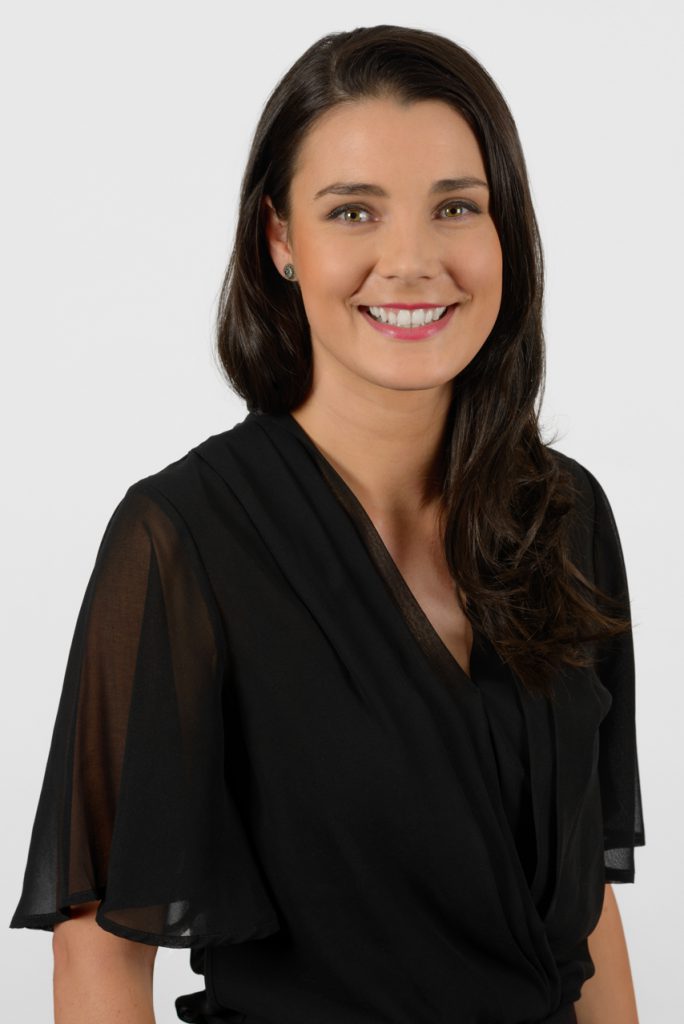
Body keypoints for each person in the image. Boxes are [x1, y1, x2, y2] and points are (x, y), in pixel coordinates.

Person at [9, 24, 645, 1024]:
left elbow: (585, 908)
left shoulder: (566, 516)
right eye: (353, 210)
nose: (412, 259)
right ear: (280, 240)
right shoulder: (184, 538)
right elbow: (98, 956)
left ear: (504, 232)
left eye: (456, 208)